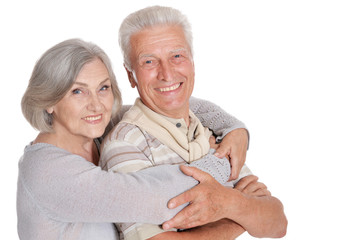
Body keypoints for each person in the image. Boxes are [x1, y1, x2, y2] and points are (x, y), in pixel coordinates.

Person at [17, 38, 253, 240]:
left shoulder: (97, 127)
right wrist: (222, 160)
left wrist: (234, 130)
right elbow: (158, 199)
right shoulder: (47, 172)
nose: (96, 104)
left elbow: (169, 106)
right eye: (77, 91)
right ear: (49, 101)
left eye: (103, 87)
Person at [100, 6, 287, 240]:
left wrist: (229, 203)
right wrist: (238, 216)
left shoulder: (210, 131)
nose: (167, 74)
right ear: (130, 76)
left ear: (192, 62)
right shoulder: (125, 144)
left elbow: (277, 223)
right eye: (149, 61)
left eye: (177, 56)